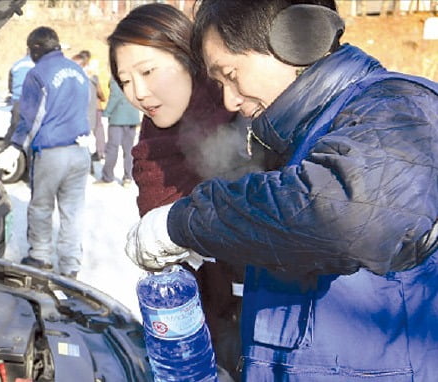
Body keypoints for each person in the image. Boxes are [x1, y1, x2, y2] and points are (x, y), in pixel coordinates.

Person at [125, 1, 438, 381]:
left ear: (297, 38)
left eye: (230, 74)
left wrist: (183, 222)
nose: (229, 100)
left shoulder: (400, 108)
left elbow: (343, 216)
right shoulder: (301, 141)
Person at [107, 3, 265, 376]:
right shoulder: (151, 147)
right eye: (125, 81)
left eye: (148, 71)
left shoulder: (246, 121)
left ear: (189, 57)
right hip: (205, 328)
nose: (138, 94)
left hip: (263, 332)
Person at [8, 26, 92, 278]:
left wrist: (15, 145)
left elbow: (31, 116)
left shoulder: (38, 73)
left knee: (41, 207)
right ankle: (70, 265)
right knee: (73, 211)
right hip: (80, 150)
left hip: (52, 150)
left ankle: (40, 256)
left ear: (35, 49)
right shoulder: (78, 71)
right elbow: (87, 109)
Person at [97, 77, 141, 186]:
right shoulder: (134, 77)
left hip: (117, 118)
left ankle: (108, 177)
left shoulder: (116, 78)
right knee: (129, 149)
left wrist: (106, 113)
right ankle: (128, 177)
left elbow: (115, 96)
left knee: (112, 148)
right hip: (132, 116)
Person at [72, 50, 108, 163]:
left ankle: (87, 159)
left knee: (84, 137)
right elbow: (101, 93)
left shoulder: (80, 78)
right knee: (98, 130)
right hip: (95, 107)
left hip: (85, 110)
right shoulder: (93, 76)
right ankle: (100, 152)